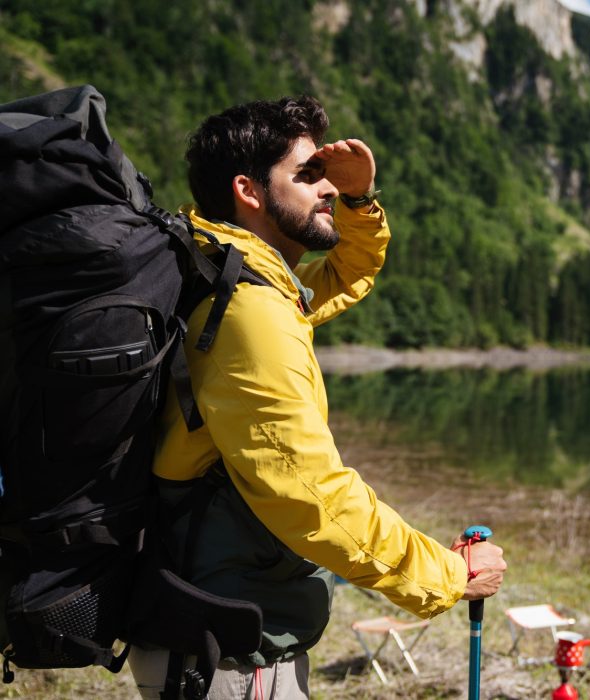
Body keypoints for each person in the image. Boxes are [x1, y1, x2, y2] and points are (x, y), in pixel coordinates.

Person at [127, 96, 507, 698]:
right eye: (308, 176)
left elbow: (350, 270)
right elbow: (312, 497)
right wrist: (449, 575)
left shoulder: (241, 280)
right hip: (226, 649)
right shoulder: (250, 313)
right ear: (249, 192)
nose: (326, 187)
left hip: (228, 630)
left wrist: (359, 201)